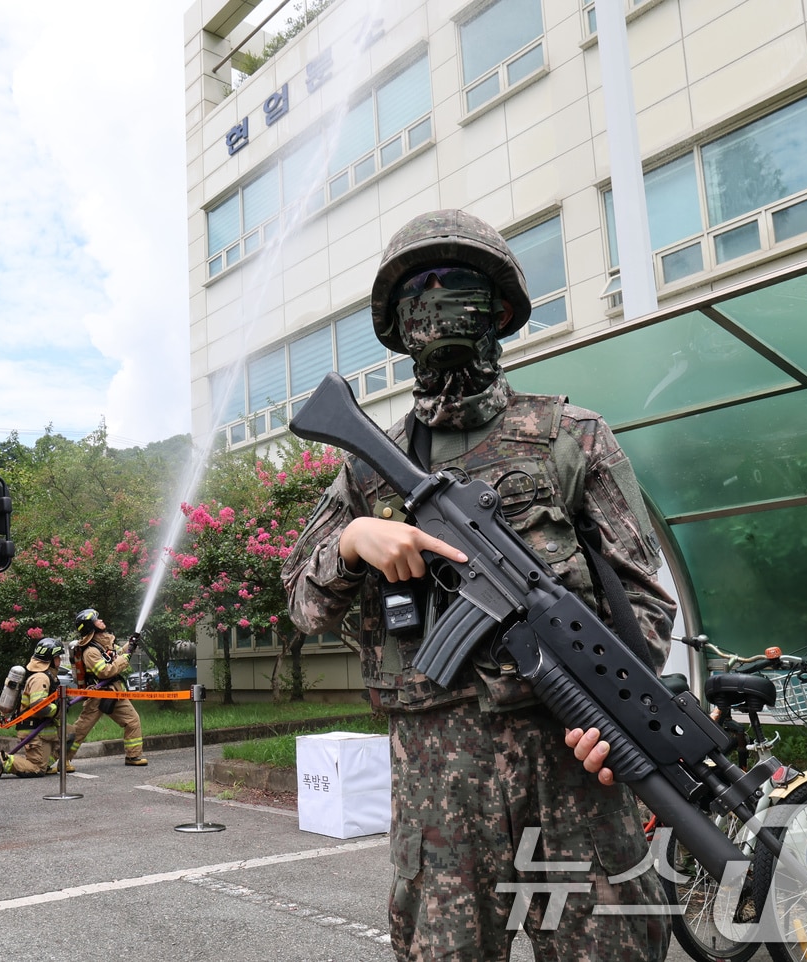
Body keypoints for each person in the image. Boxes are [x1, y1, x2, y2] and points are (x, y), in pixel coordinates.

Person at [280, 209, 676, 961]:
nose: (437, 301)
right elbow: (301, 601)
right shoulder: (368, 465)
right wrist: (351, 542)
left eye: (457, 283)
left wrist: (617, 709)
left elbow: (647, 604)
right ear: (397, 323)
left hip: (573, 762)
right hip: (438, 780)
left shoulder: (572, 436)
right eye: (418, 290)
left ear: (498, 307)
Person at [65, 608, 146, 766]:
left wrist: (130, 644)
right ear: (91, 627)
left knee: (132, 720)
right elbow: (105, 671)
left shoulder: (103, 644)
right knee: (81, 730)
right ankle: (62, 759)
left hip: (114, 692)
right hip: (97, 695)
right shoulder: (90, 651)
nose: (101, 621)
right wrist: (126, 658)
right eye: (97, 620)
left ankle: (133, 756)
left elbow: (116, 655)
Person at [0, 637, 66, 779]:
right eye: (57, 657)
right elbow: (39, 705)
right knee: (37, 769)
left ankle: (45, 763)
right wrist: (57, 709)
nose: (60, 661)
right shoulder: (40, 678)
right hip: (34, 731)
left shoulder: (48, 677)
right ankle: (0, 760)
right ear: (50, 660)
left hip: (45, 730)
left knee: (71, 734)